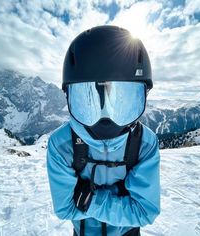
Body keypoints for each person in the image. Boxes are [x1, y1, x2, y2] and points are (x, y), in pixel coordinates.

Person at [47, 25, 160, 236]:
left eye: (122, 101)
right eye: (88, 99)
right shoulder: (61, 144)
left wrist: (89, 199)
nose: (106, 120)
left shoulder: (144, 142)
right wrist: (121, 196)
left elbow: (145, 212)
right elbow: (65, 209)